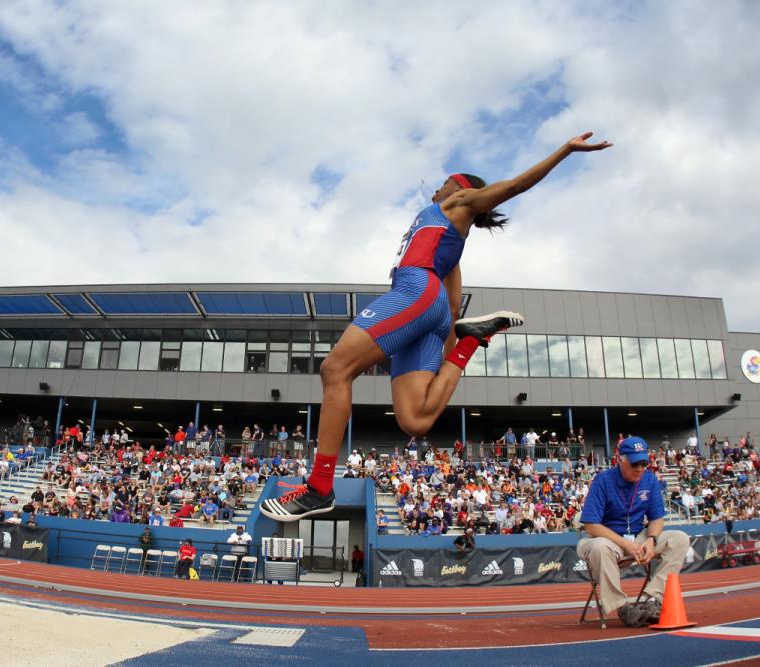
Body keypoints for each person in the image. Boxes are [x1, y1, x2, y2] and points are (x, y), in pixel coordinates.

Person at [262, 132, 611, 520]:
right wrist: (450, 344)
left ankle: (320, 487)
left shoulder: (458, 203)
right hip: (432, 307)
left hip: (414, 290)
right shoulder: (449, 237)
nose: (440, 183)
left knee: (334, 369)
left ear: (460, 187)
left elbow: (513, 186)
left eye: (447, 178)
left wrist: (565, 150)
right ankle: (471, 343)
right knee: (415, 420)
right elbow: (452, 298)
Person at [577, 436, 689, 627]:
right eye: (635, 463)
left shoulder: (649, 479)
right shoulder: (602, 480)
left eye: (644, 463)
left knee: (680, 539)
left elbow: (656, 519)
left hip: (638, 537)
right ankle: (623, 608)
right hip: (607, 540)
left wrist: (651, 540)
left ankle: (652, 600)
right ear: (620, 459)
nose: (640, 468)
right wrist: (627, 544)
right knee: (599, 547)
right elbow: (591, 525)